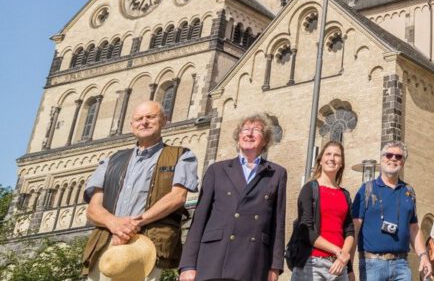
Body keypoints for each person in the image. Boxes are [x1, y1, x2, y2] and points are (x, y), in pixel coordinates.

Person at [81, 100, 199, 281]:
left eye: (151, 117)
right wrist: (114, 224)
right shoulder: (110, 160)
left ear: (164, 120)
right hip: (107, 244)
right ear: (132, 125)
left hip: (146, 244)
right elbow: (93, 209)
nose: (144, 122)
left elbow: (177, 197)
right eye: (139, 118)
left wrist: (134, 224)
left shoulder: (182, 155)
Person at [179, 113, 288, 281]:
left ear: (265, 140)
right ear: (238, 138)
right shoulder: (217, 170)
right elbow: (199, 219)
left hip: (254, 260)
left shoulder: (276, 173)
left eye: (257, 130)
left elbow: (277, 224)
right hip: (215, 257)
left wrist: (275, 267)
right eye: (245, 129)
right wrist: (188, 265)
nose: (249, 133)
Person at [351, 141, 432, 281]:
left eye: (398, 157)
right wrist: (348, 265)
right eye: (389, 155)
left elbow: (413, 228)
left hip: (401, 264)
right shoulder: (367, 189)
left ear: (403, 163)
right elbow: (354, 228)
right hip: (372, 264)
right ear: (382, 159)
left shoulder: (409, 192)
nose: (393, 159)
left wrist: (423, 256)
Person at [292, 141, 356, 281]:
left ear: (341, 163)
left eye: (337, 155)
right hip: (312, 263)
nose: (332, 158)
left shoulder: (344, 194)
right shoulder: (309, 189)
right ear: (320, 161)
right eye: (328, 154)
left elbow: (349, 231)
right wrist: (338, 251)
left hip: (339, 266)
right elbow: (306, 231)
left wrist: (344, 259)